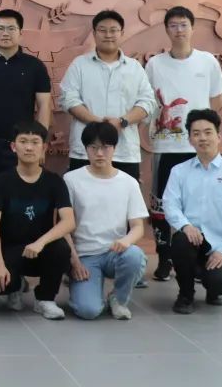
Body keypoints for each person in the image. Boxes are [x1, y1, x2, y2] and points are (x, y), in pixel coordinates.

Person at [145, 6, 222, 282]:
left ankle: (201, 258)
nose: (179, 30)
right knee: (161, 205)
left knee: (200, 203)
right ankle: (164, 258)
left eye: (183, 25)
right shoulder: (154, 64)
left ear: (192, 28)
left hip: (198, 147)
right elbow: (147, 101)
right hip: (166, 146)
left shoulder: (207, 62)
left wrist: (203, 130)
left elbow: (217, 101)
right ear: (166, 29)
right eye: (173, 25)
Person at [0, 121, 74, 320]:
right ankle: (15, 286)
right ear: (13, 146)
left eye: (35, 142)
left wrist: (40, 242)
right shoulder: (1, 182)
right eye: (23, 141)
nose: (29, 147)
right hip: (11, 250)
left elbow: (68, 222)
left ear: (44, 147)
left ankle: (45, 299)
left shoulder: (54, 181)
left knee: (61, 248)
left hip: (41, 250)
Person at [163, 109, 222, 314]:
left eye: (208, 132)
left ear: (219, 137)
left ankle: (214, 289)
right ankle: (185, 294)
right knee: (180, 240)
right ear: (190, 140)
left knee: (219, 282)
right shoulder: (179, 171)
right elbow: (170, 204)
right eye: (196, 133)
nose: (202, 138)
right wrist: (185, 226)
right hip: (191, 239)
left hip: (219, 242)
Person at [64, 122, 148, 320]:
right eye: (93, 147)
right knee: (88, 311)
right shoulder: (71, 180)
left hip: (115, 252)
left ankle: (118, 298)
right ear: (85, 149)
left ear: (114, 148)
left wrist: (126, 241)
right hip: (85, 256)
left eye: (105, 147)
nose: (99, 153)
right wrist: (74, 261)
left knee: (135, 256)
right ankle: (85, 291)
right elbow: (63, 227)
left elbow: (138, 227)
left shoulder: (129, 183)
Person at [59, 10, 156, 181]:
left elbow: (147, 102)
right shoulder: (79, 65)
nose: (108, 35)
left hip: (124, 151)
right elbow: (68, 98)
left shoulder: (134, 68)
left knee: (124, 197)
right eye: (102, 30)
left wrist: (122, 121)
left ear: (122, 33)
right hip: (85, 151)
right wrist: (96, 123)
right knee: (83, 196)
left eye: (113, 30)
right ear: (94, 33)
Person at [0, 8, 52, 181]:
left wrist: (40, 143)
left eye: (11, 28)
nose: (5, 33)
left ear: (20, 33)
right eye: (0, 28)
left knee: (19, 191)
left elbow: (44, 105)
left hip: (23, 144)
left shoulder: (35, 66)